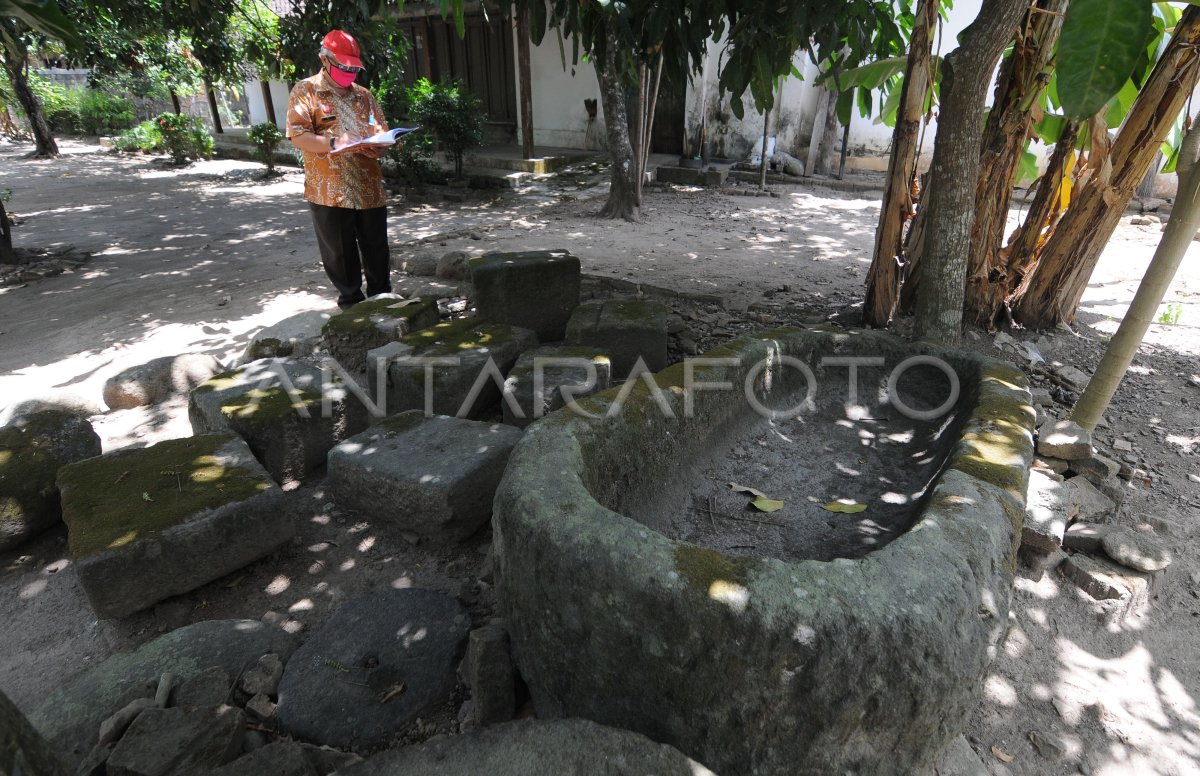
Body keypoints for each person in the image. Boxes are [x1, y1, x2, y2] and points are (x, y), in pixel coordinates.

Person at [286, 30, 394, 310]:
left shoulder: (365, 96)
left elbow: (380, 129)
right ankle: (352, 306)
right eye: (343, 67)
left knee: (376, 247)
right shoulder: (305, 91)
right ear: (325, 59)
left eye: (353, 68)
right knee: (340, 252)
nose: (349, 73)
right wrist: (334, 142)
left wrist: (380, 146)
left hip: (368, 184)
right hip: (330, 189)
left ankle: (382, 300)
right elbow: (298, 135)